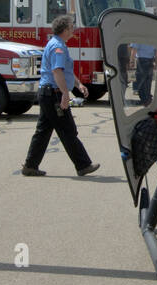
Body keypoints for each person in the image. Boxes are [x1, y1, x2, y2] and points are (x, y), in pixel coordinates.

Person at [21, 15, 100, 177]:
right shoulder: (58, 47)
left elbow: (65, 71)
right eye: (71, 27)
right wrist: (65, 93)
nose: (73, 30)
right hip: (53, 94)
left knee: (43, 131)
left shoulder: (56, 44)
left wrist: (78, 84)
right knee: (67, 130)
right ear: (64, 30)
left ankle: (30, 165)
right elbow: (57, 71)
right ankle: (83, 165)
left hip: (48, 92)